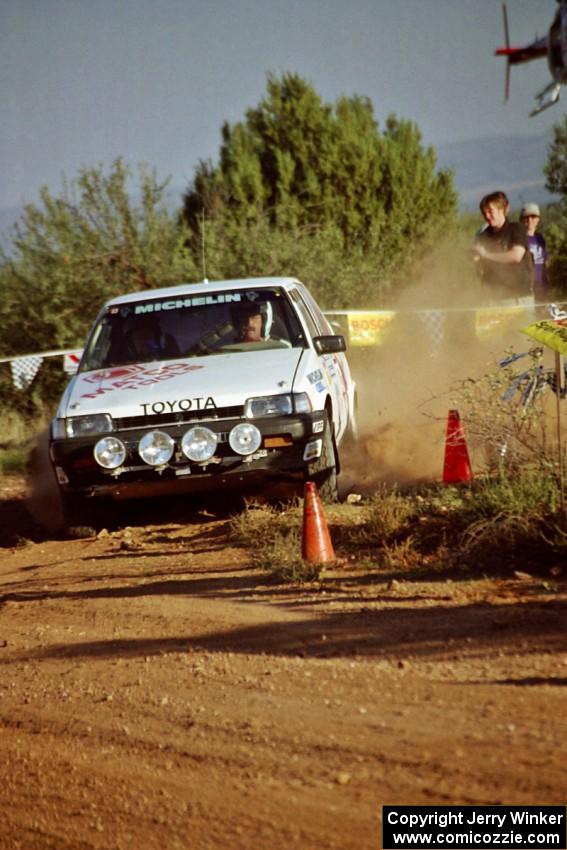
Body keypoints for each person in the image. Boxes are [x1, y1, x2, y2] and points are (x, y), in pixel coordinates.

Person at [473, 190, 534, 304]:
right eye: (484, 213)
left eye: (491, 211)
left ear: (503, 210)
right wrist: (476, 259)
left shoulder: (516, 229)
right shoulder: (483, 235)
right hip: (492, 298)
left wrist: (486, 255)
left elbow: (516, 255)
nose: (487, 216)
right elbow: (480, 268)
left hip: (517, 297)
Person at [520, 202, 549, 315]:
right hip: (527, 288)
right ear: (521, 220)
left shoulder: (540, 238)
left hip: (541, 286)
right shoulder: (519, 239)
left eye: (533, 217)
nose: (530, 220)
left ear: (538, 219)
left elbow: (543, 263)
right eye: (526, 217)